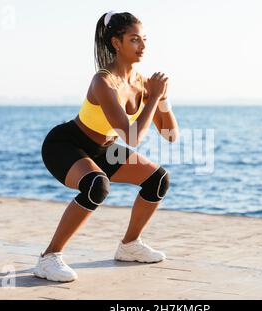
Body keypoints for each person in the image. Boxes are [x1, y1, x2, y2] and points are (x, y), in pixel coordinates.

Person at [34, 11, 179, 282]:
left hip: (104, 149)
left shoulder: (144, 84)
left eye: (144, 39)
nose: (143, 46)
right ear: (116, 43)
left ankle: (129, 245)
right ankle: (48, 258)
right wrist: (153, 98)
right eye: (135, 39)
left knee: (157, 179)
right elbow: (132, 137)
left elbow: (170, 135)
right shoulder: (103, 81)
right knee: (96, 185)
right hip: (66, 144)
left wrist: (162, 100)